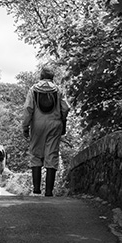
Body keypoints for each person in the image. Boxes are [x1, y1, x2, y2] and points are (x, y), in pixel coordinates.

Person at [21, 67, 70, 196]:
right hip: (54, 124)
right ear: (52, 77)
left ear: (41, 77)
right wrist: (63, 121)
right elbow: (65, 108)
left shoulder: (33, 89)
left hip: (37, 124)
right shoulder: (58, 90)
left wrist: (25, 126)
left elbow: (28, 108)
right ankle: (49, 192)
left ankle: (36, 190)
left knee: (36, 155)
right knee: (52, 155)